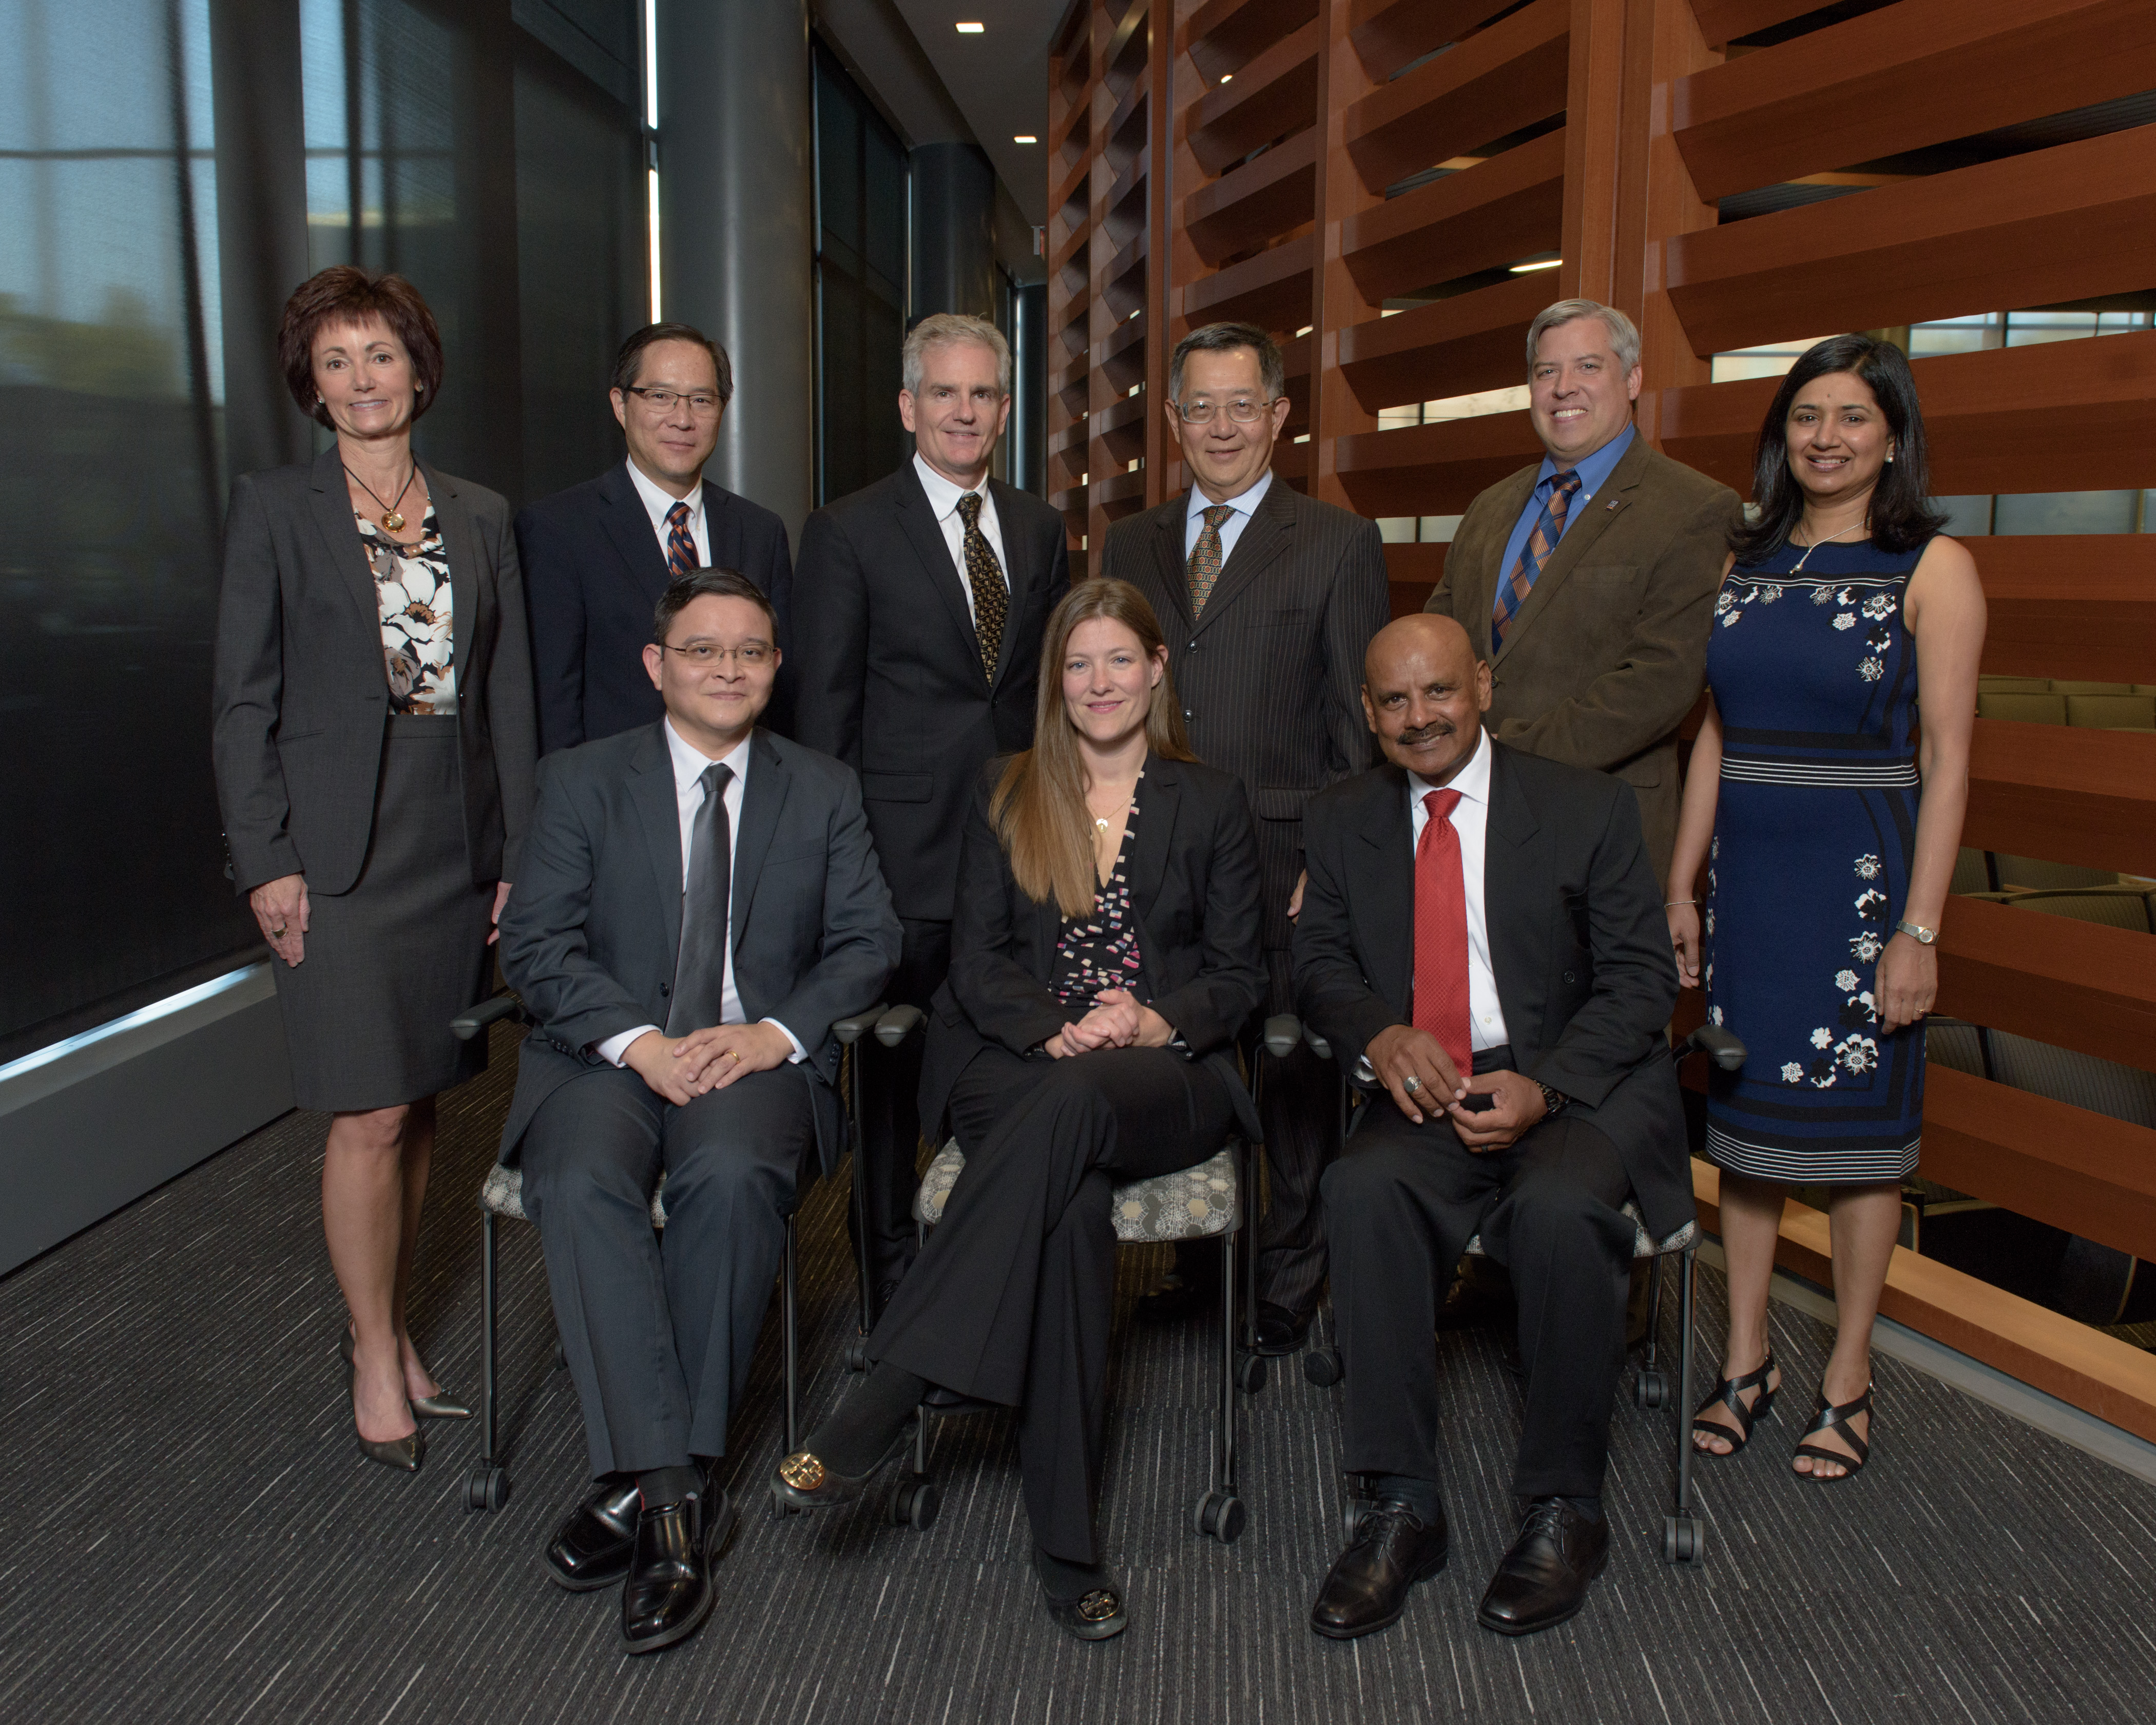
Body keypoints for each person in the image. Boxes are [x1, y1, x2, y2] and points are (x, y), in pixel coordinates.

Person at [770, 580, 1264, 1643]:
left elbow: (1239, 974)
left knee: (1076, 1113)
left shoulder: (1211, 800)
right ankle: (1068, 1550)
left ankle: (897, 1380)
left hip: (1156, 1070)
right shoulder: (1004, 790)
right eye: (1078, 665)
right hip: (1014, 1059)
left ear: (1157, 668)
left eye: (1119, 661)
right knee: (1071, 1199)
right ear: (1056, 683)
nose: (1099, 683)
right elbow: (977, 964)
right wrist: (1051, 1026)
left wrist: (1145, 1017)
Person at [497, 569, 899, 1656]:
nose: (728, 669)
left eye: (751, 651)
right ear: (657, 664)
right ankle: (676, 1496)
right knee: (578, 1182)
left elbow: (870, 941)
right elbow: (537, 947)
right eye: (704, 650)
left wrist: (774, 1035)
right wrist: (640, 1042)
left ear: (776, 667)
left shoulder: (823, 788)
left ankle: (636, 1487)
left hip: (752, 1061)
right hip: (608, 1053)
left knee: (729, 1180)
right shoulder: (581, 780)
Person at [1294, 614, 1685, 1639]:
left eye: (1439, 692)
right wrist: (1378, 1034)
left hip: (1569, 1083)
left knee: (1559, 1211)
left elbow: (1644, 983)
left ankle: (1566, 1509)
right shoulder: (1343, 819)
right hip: (1425, 1081)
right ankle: (1401, 1504)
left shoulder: (1583, 808)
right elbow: (1319, 965)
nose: (1419, 718)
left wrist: (1545, 1088)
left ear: (1483, 686)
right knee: (1361, 1189)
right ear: (1368, 714)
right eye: (1394, 701)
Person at [211, 264, 536, 1475]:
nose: (361, 380)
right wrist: (266, 861)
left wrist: (516, 855)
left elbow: (510, 696)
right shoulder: (277, 509)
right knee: (369, 1109)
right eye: (337, 361)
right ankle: (371, 1343)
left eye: (381, 356)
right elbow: (241, 702)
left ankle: (396, 1321)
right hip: (333, 855)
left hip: (450, 845)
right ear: (312, 382)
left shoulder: (481, 512)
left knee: (422, 1103)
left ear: (418, 368)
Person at [1672, 335, 1982, 1482]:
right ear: (1781, 434)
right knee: (1747, 1144)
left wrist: (1919, 930)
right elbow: (1713, 730)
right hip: (1751, 884)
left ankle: (1848, 1373)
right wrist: (1681, 885)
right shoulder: (1742, 559)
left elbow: (1948, 761)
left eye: (1853, 418)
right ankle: (1745, 1360)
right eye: (1807, 416)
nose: (1827, 438)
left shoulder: (1932, 566)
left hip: (1863, 886)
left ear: (1892, 436)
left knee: (1861, 1155)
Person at [1101, 320, 1389, 1351]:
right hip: (1157, 849)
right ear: (1173, 422)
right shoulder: (1129, 544)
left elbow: (1360, 732)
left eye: (1242, 405)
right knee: (1190, 1047)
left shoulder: (1337, 542)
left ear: (1278, 416)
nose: (1221, 427)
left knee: (1294, 1066)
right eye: (1199, 408)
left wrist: (1337, 864)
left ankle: (1288, 1273)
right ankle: (1197, 1259)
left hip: (1285, 864)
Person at [791, 312, 1072, 1314]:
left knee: (1007, 1063)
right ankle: (889, 1287)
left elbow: (1049, 695)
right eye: (944, 393)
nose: (965, 410)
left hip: (1018, 851)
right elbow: (824, 718)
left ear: (1003, 410)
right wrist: (833, 869)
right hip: (894, 859)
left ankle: (995, 1271)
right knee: (888, 1081)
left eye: (983, 393)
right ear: (909, 407)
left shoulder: (1040, 529)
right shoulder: (847, 530)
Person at [1423, 299, 1741, 883]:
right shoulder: (1490, 507)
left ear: (1634, 379)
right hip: (1463, 818)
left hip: (1599, 826)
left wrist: (1493, 756)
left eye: (1588, 367)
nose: (1563, 388)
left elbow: (1659, 681)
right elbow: (1439, 644)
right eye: (1546, 372)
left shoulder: (1695, 508)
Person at [516, 322, 794, 754]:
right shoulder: (559, 529)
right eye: (660, 397)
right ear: (621, 405)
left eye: (701, 401)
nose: (682, 419)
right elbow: (553, 700)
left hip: (740, 792)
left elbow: (780, 690)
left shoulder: (760, 531)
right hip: (613, 798)